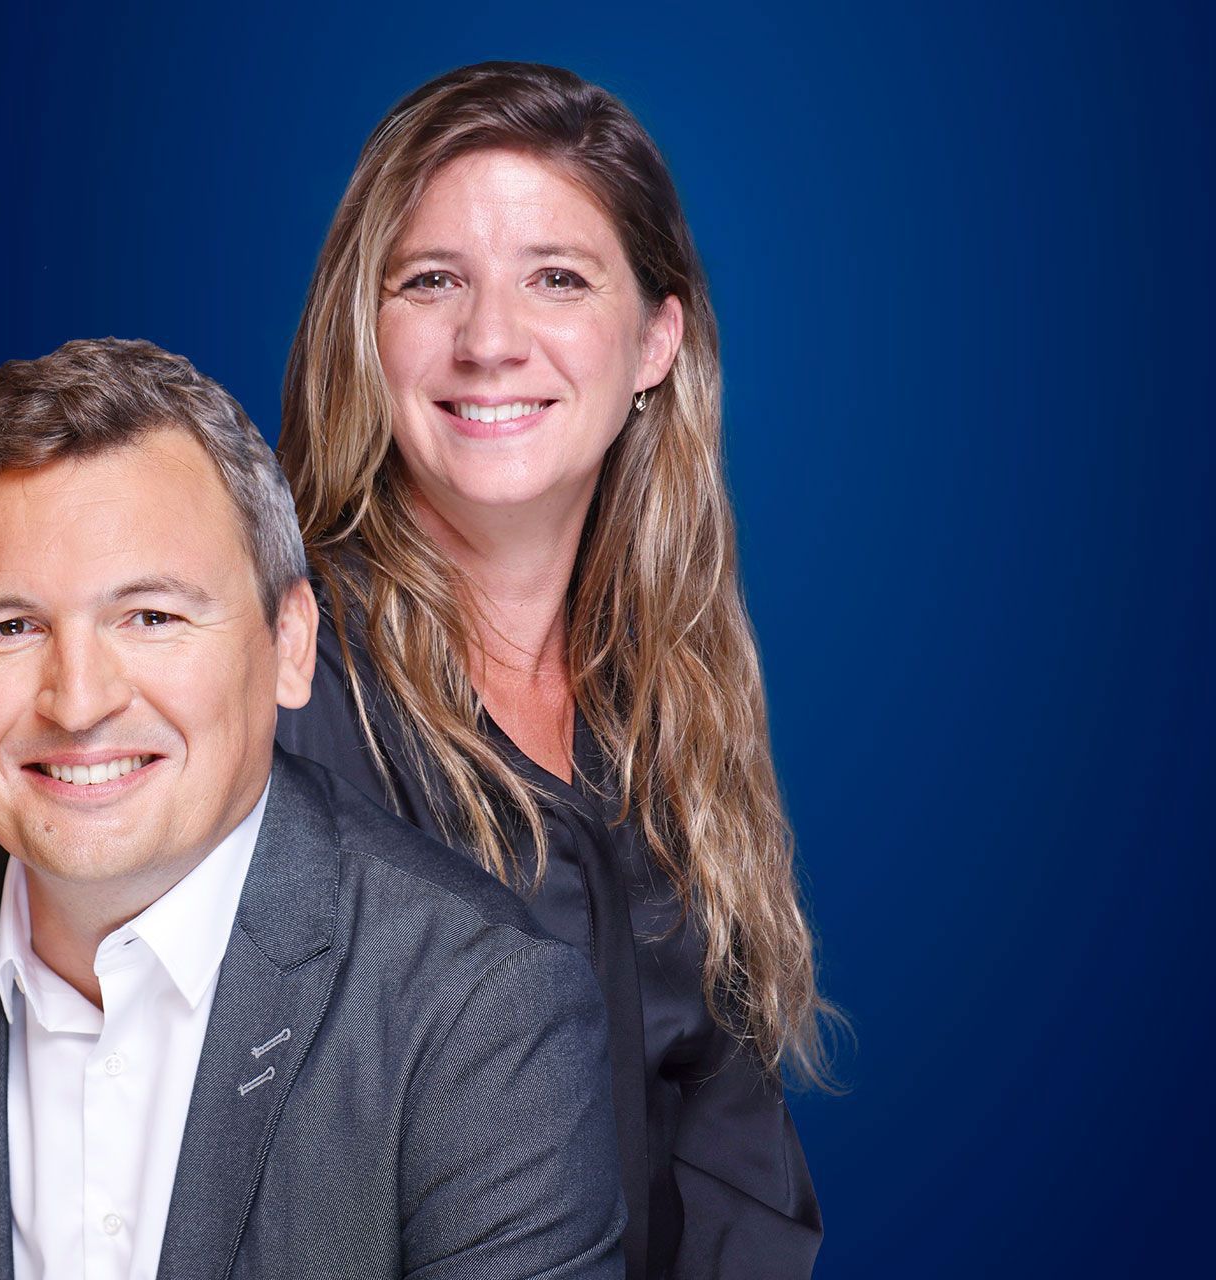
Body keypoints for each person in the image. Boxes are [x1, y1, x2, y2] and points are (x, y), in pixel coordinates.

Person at [0, 338, 625, 1279]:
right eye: (9, 626)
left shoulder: (482, 1011)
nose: (77, 701)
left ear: (289, 644)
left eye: (149, 616)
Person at [274, 63, 837, 1279]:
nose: (488, 341)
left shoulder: (668, 712)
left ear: (654, 341)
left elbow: (734, 1172)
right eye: (431, 280)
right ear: (363, 330)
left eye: (558, 279)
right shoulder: (277, 684)